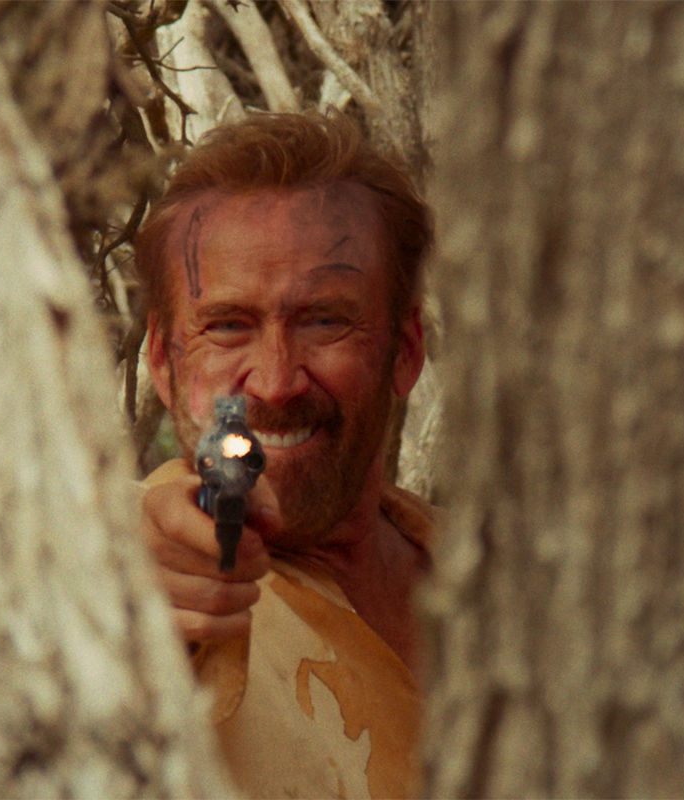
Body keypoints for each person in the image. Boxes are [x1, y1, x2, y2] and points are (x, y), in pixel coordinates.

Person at [136, 110, 433, 800]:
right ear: (162, 362)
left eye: (325, 320)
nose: (275, 382)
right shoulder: (128, 568)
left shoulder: (514, 586)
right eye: (227, 326)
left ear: (406, 350)